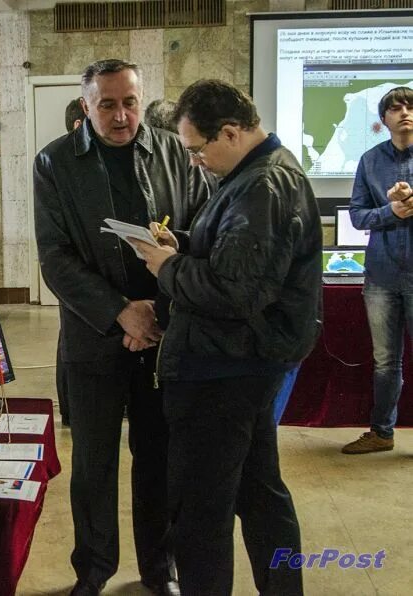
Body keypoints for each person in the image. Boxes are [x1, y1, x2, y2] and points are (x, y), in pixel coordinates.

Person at [133, 80, 321, 596]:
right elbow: (238, 257)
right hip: (244, 364)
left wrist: (168, 266)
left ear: (232, 133)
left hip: (224, 370)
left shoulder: (262, 185)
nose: (192, 162)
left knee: (201, 513)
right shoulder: (258, 175)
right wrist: (188, 242)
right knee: (261, 496)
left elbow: (236, 291)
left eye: (195, 150)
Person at [33, 59, 210, 596]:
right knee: (94, 463)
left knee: (159, 459)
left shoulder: (174, 153)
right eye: (107, 104)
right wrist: (120, 311)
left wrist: (157, 309)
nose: (121, 114)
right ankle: (93, 570)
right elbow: (55, 257)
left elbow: (201, 228)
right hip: (94, 337)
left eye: (129, 101)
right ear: (86, 106)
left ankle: (161, 569)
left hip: (163, 334)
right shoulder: (55, 163)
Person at [341, 86, 413, 454]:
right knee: (386, 361)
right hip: (382, 276)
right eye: (395, 107)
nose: (404, 112)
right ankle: (382, 433)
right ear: (383, 119)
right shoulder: (370, 161)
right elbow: (356, 215)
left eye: (410, 106)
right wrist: (391, 212)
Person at [57, 97, 85, 428]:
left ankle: (70, 409)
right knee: (70, 339)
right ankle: (70, 409)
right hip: (75, 272)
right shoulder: (60, 164)